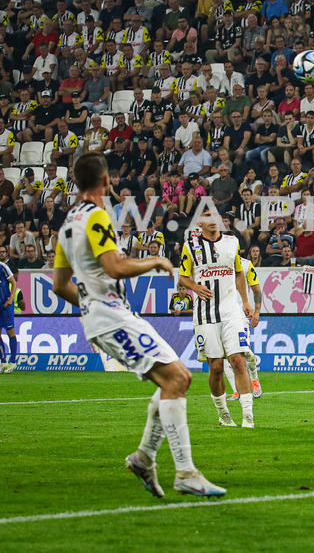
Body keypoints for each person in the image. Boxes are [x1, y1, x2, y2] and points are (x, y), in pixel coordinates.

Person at [50, 152, 224, 498]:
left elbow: (58, 285)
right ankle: (186, 472)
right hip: (111, 316)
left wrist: (89, 307)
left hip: (105, 316)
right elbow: (114, 267)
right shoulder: (97, 216)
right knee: (178, 378)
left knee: (172, 380)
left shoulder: (68, 223)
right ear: (105, 181)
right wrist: (154, 260)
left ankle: (144, 457)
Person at [177, 211, 259, 429]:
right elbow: (183, 276)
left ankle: (248, 416)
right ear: (200, 222)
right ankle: (223, 414)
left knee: (238, 361)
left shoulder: (232, 242)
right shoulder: (190, 246)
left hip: (231, 311)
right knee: (216, 367)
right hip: (205, 314)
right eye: (207, 215)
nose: (213, 218)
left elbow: (239, 273)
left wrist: (245, 301)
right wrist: (195, 287)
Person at [225, 253, 264, 402]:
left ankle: (254, 380)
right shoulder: (216, 263)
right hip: (221, 315)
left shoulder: (246, 264)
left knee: (244, 351)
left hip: (240, 315)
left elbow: (256, 289)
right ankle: (237, 390)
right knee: (224, 355)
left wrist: (257, 311)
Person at [0, 257, 16, 373]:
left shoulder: (3, 267)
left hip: (6, 304)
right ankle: (3, 361)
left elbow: (13, 282)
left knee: (10, 332)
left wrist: (11, 299)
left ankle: (13, 362)